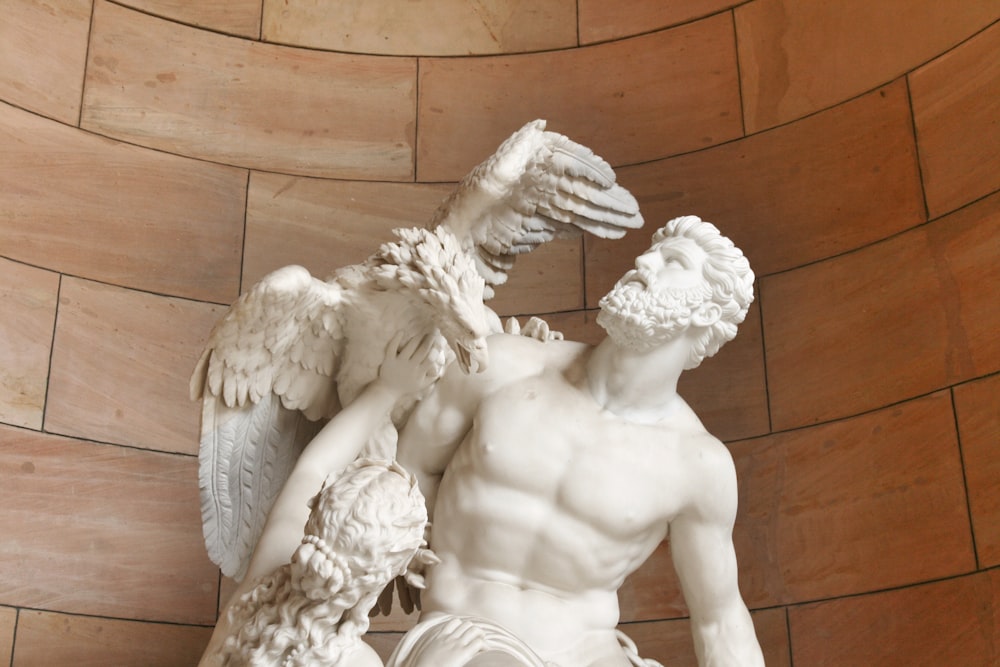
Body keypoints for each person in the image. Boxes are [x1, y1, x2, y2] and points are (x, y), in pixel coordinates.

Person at [391, 215, 765, 667]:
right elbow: (406, 468)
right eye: (650, 250)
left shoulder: (698, 464)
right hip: (470, 637)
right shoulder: (503, 367)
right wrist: (402, 543)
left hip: (594, 652)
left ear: (706, 311)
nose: (643, 261)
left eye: (672, 261)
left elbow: (720, 620)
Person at [199, 333, 473, 667]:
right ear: (386, 577)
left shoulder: (257, 595)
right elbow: (312, 472)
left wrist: (387, 388)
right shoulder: (355, 661)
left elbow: (313, 469)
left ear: (316, 511)